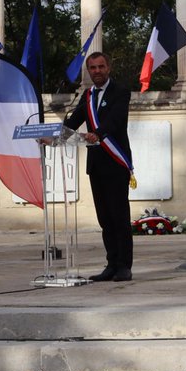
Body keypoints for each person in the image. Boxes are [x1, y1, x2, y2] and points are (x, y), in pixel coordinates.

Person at [63, 51, 135, 279]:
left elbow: (115, 120)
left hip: (115, 162)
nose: (97, 71)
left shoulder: (121, 92)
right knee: (104, 218)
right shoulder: (86, 96)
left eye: (100, 67)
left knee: (119, 217)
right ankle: (111, 264)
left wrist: (98, 134)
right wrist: (52, 136)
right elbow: (73, 123)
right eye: (92, 68)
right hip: (96, 165)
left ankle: (124, 266)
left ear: (108, 68)